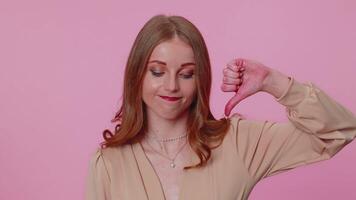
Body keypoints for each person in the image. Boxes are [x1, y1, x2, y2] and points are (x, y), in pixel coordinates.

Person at [85, 14, 356, 200]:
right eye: (157, 72)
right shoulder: (109, 163)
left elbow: (338, 131)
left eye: (186, 74)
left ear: (200, 78)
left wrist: (273, 82)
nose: (171, 86)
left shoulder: (238, 142)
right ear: (137, 75)